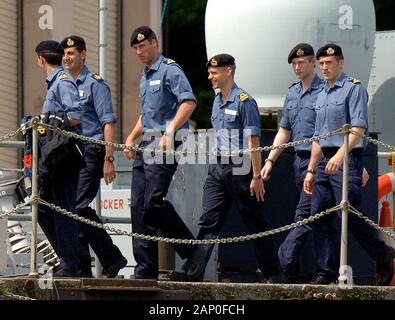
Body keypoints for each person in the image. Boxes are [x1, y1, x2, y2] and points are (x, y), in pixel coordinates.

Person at [182, 53, 284, 283]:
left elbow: (253, 142)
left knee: (255, 221)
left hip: (241, 167)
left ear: (228, 71)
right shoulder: (217, 101)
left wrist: (256, 176)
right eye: (209, 73)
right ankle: (194, 272)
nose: (210, 77)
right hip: (218, 166)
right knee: (208, 220)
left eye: (214, 72)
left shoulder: (244, 101)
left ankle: (273, 273)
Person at [303, 43, 394, 285]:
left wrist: (342, 157)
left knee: (350, 215)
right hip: (325, 159)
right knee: (318, 217)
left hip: (344, 158)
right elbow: (318, 137)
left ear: (340, 63)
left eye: (329, 63)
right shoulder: (321, 92)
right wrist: (311, 171)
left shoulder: (353, 89)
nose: (324, 67)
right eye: (321, 63)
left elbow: (358, 129)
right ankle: (326, 271)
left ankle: (383, 255)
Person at [124, 26, 204, 280]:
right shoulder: (145, 75)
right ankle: (145, 270)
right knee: (138, 206)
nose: (139, 51)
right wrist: (131, 136)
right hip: (146, 143)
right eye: (135, 48)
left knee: (153, 203)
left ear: (154, 43)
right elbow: (147, 113)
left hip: (164, 144)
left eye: (143, 46)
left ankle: (193, 253)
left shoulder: (170, 69)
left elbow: (189, 102)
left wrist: (170, 131)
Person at [61, 35, 127, 278]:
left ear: (83, 54)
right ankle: (84, 268)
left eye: (71, 53)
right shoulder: (64, 84)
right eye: (64, 54)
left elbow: (108, 122)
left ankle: (111, 257)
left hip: (92, 150)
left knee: (77, 206)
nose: (67, 58)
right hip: (71, 152)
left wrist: (109, 159)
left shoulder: (95, 84)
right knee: (71, 208)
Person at [260, 43, 324, 283]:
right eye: (294, 64)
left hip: (317, 161)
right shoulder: (292, 93)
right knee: (313, 217)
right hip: (297, 160)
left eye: (302, 62)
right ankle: (301, 271)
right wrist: (270, 161)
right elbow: (284, 131)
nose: (297, 67)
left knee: (305, 215)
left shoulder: (324, 91)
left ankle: (282, 261)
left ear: (313, 62)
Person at [35, 40, 84, 277]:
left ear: (41, 59)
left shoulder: (62, 82)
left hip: (63, 156)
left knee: (63, 209)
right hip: (53, 156)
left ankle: (71, 264)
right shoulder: (55, 83)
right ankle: (72, 258)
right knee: (43, 206)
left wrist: (52, 123)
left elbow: (75, 114)